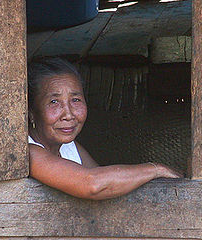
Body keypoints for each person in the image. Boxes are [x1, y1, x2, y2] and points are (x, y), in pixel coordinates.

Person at [28, 57, 182, 200]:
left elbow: (106, 180)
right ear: (31, 112)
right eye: (54, 102)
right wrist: (155, 169)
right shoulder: (29, 152)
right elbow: (93, 184)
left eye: (76, 100)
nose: (68, 114)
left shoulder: (69, 147)